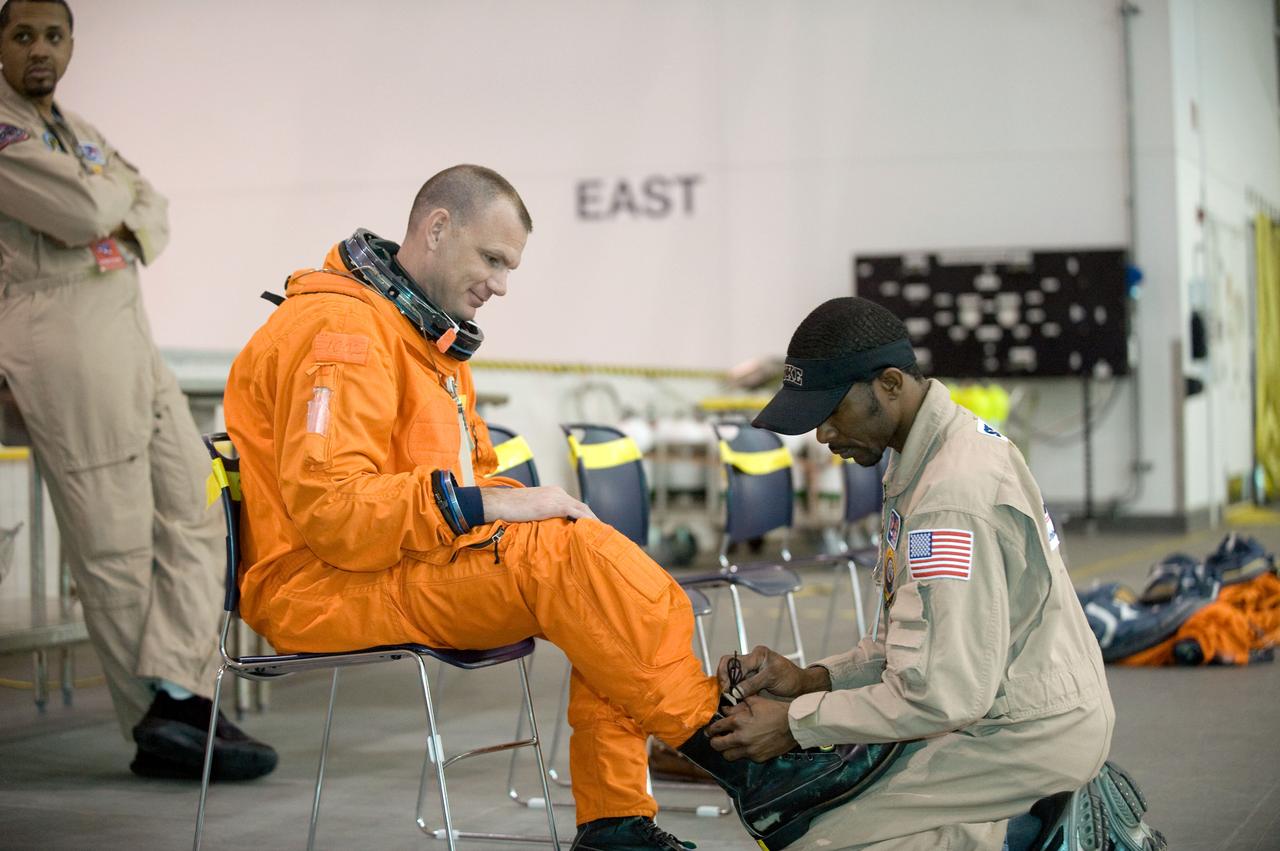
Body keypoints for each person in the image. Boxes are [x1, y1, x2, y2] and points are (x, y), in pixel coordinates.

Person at [223, 165, 905, 850]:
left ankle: (616, 822)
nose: (501, 284)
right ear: (436, 228)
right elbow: (334, 512)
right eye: (492, 259)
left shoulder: (423, 337)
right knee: (579, 569)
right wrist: (495, 505)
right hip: (319, 585)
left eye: (509, 267)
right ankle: (740, 758)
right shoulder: (340, 334)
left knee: (612, 578)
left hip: (398, 560)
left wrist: (522, 508)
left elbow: (467, 476)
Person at [700, 296, 1166, 850]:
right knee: (827, 812)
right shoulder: (921, 459)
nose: (822, 436)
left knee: (820, 842)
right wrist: (812, 679)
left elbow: (942, 694)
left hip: (1024, 735)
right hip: (997, 710)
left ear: (890, 384)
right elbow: (914, 646)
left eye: (830, 412)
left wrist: (795, 722)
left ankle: (1048, 833)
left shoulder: (950, 498)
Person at [0, 0, 276, 780]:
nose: (40, 50)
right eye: (22, 36)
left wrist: (111, 209)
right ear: (1, 47)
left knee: (197, 505)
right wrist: (106, 201)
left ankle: (181, 694)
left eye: (54, 35)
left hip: (127, 328)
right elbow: (87, 206)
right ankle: (156, 725)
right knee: (115, 542)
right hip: (62, 338)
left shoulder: (78, 128)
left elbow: (151, 209)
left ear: (71, 43)